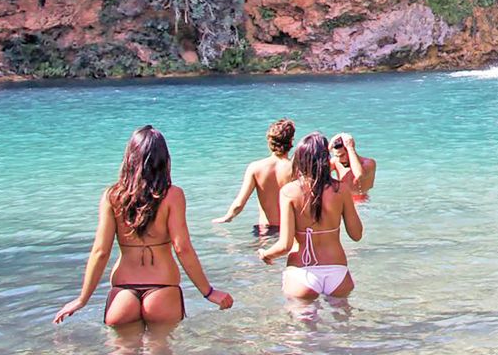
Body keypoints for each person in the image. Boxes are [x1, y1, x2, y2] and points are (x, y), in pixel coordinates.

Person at [53, 125, 234, 326]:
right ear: (164, 160)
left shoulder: (112, 196)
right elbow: (182, 248)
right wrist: (208, 292)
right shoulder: (172, 195)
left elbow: (100, 252)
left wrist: (82, 300)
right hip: (162, 287)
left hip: (123, 290)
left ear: (129, 158)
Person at [258, 132, 363, 299]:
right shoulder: (341, 190)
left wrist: (266, 254)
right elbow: (356, 235)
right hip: (338, 272)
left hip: (302, 272)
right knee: (343, 323)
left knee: (302, 324)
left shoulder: (289, 192)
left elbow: (285, 245)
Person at [213, 118, 295, 236]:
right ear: (291, 141)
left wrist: (227, 217)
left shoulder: (255, 167)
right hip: (290, 228)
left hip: (265, 229)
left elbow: (239, 204)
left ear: (269, 141)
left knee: (263, 253)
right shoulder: (296, 168)